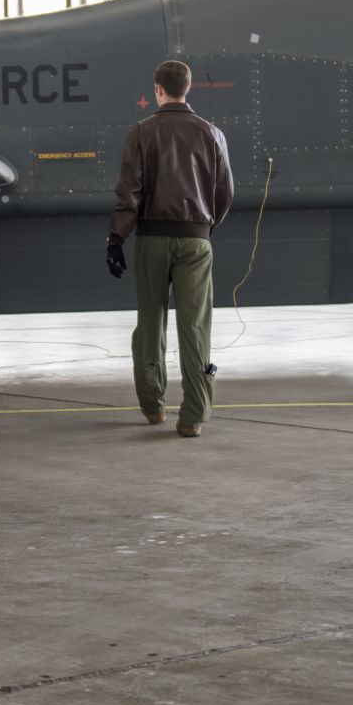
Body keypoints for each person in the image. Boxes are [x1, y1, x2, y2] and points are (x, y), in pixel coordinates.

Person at [106, 59, 234, 438]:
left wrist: (116, 239)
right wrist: (203, 227)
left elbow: (129, 192)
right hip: (196, 240)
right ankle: (193, 416)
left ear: (157, 89)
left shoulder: (141, 132)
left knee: (151, 323)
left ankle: (152, 407)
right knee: (194, 326)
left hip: (151, 240)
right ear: (188, 88)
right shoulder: (212, 133)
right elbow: (225, 193)